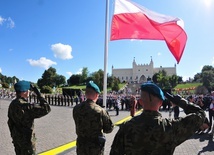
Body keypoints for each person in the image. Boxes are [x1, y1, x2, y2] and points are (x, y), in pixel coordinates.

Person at [110, 82, 206, 155]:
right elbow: (201, 114)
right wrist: (182, 102)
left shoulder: (126, 127)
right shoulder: (170, 127)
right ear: (161, 103)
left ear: (140, 102)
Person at [7, 80, 51, 155]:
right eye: (28, 90)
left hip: (17, 139)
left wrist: (14, 135)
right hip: (27, 141)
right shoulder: (27, 106)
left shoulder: (12, 104)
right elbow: (46, 108)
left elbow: (10, 122)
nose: (29, 92)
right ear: (24, 91)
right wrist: (38, 93)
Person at [73, 81, 114, 155]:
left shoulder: (76, 108)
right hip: (95, 148)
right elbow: (109, 129)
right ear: (96, 95)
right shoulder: (100, 110)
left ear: (85, 94)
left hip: (81, 146)